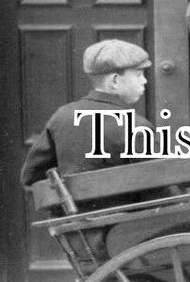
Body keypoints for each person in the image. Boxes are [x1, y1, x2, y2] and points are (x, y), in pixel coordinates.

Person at [20, 39, 155, 187]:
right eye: (138, 75)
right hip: (127, 210)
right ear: (115, 80)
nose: (144, 81)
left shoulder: (62, 116)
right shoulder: (137, 126)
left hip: (73, 210)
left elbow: (31, 176)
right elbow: (161, 184)